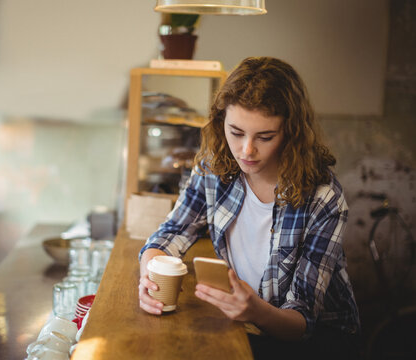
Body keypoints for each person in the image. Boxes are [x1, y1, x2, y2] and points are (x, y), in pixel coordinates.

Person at [137, 57, 361, 359]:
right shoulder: (213, 169)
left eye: (265, 137)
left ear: (291, 133)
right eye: (236, 132)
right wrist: (149, 275)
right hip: (248, 327)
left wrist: (257, 311)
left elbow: (303, 321)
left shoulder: (323, 197)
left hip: (318, 343)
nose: (247, 151)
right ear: (221, 123)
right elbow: (171, 234)